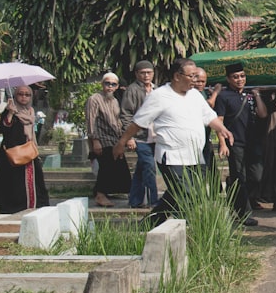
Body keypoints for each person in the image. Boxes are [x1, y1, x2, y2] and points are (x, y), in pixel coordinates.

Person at [113, 58, 233, 225]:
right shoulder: (160, 96)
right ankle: (188, 228)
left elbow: (209, 117)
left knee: (178, 195)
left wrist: (223, 129)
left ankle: (148, 224)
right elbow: (138, 122)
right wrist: (122, 142)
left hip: (194, 156)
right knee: (186, 194)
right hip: (172, 156)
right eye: (191, 76)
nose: (196, 80)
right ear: (177, 76)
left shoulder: (195, 96)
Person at [213, 62, 266, 226]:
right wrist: (222, 143)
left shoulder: (250, 95)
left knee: (256, 176)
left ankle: (232, 190)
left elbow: (263, 114)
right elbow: (219, 121)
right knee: (241, 177)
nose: (239, 79)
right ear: (229, 79)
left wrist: (257, 95)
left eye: (242, 76)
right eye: (235, 77)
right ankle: (244, 213)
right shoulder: (223, 96)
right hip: (234, 142)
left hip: (253, 141)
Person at [0, 86, 50, 214]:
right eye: (21, 94)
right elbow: (3, 128)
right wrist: (11, 112)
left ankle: (34, 204)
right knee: (14, 183)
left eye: (27, 95)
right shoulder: (10, 112)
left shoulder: (30, 112)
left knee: (35, 181)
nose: (24, 97)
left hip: (29, 151)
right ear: (15, 96)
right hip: (13, 154)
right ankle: (15, 206)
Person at [86, 73, 132, 207]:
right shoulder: (95, 99)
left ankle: (105, 192)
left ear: (117, 86)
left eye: (113, 84)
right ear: (102, 84)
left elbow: (118, 121)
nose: (110, 87)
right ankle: (100, 194)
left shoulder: (115, 100)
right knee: (106, 165)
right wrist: (95, 140)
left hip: (115, 139)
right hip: (101, 138)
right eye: (107, 83)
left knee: (119, 167)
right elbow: (91, 120)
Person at [120, 60, 159, 209]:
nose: (146, 75)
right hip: (140, 137)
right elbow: (126, 114)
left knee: (142, 168)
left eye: (149, 72)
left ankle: (135, 200)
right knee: (149, 166)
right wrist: (129, 137)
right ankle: (153, 201)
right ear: (137, 74)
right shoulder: (132, 90)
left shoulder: (157, 89)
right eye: (143, 73)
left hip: (155, 136)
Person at [192, 68, 221, 169]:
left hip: (205, 137)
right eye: (198, 81)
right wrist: (216, 92)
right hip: (195, 139)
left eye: (203, 82)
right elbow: (208, 104)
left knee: (211, 169)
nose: (200, 84)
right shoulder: (190, 93)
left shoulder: (202, 93)